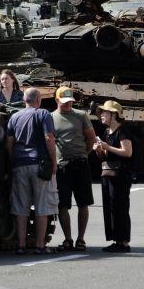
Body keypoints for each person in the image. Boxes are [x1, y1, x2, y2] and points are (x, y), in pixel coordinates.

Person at [5, 88, 59, 255]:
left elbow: (9, 141)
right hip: (39, 164)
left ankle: (21, 245)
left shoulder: (15, 116)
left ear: (24, 100)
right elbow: (49, 138)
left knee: (21, 207)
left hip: (20, 164)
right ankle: (40, 245)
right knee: (42, 206)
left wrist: (13, 159)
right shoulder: (43, 114)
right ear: (39, 100)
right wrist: (54, 161)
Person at [52, 86, 97, 252]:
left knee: (83, 203)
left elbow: (91, 137)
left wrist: (84, 153)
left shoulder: (80, 115)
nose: (67, 105)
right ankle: (68, 239)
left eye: (70, 102)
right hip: (62, 165)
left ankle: (81, 239)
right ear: (57, 100)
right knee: (63, 205)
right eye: (64, 102)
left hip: (80, 164)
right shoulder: (51, 117)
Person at [93, 100, 133, 253]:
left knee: (120, 207)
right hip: (108, 173)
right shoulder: (106, 132)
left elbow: (127, 152)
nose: (102, 115)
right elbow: (105, 156)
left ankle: (123, 242)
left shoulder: (122, 131)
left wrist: (107, 146)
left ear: (114, 115)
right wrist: (98, 149)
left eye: (105, 112)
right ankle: (116, 240)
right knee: (110, 207)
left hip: (121, 174)